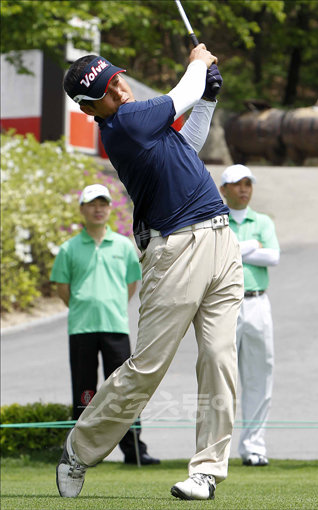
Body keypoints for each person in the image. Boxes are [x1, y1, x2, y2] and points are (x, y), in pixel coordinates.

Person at [57, 44, 244, 501]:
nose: (119, 90)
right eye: (106, 90)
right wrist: (199, 63)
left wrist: (209, 99)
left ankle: (206, 471)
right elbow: (183, 90)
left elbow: (190, 142)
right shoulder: (125, 125)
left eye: (117, 79)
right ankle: (79, 449)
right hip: (175, 249)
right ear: (89, 108)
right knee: (148, 366)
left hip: (221, 239)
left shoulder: (146, 122)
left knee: (220, 358)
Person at [50, 183, 159, 466]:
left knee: (125, 390)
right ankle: (79, 454)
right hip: (81, 328)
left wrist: (110, 306)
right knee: (84, 392)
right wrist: (82, 306)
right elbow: (63, 288)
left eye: (103, 204)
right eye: (92, 204)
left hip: (115, 326)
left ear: (109, 208)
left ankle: (135, 450)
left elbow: (130, 285)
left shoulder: (123, 246)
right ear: (82, 209)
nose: (98, 209)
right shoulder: (68, 248)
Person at [219, 164, 280, 466]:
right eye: (236, 184)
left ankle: (254, 447)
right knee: (220, 378)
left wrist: (237, 249)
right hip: (224, 305)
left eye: (248, 183)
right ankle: (216, 451)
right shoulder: (216, 221)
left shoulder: (263, 220)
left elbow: (274, 256)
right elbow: (216, 256)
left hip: (257, 303)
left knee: (259, 376)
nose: (243, 189)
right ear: (224, 189)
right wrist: (252, 246)